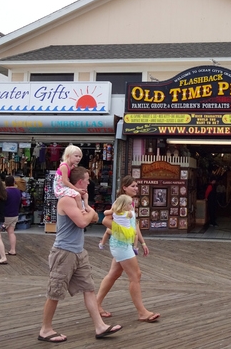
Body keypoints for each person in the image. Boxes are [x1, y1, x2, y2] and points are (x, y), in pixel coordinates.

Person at [38, 167, 122, 343]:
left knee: (89, 288)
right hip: (64, 253)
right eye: (87, 179)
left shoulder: (77, 199)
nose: (89, 182)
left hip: (78, 251)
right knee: (55, 292)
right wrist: (89, 209)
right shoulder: (67, 200)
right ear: (79, 182)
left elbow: (95, 219)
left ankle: (100, 326)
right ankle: (45, 329)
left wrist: (86, 204)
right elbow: (84, 221)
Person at [96, 175, 158, 322]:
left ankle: (95, 304)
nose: (136, 188)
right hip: (121, 244)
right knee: (136, 275)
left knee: (113, 274)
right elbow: (105, 220)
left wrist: (142, 242)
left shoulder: (131, 203)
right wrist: (122, 230)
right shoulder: (119, 202)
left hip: (124, 243)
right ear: (124, 187)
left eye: (137, 186)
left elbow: (134, 224)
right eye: (133, 186)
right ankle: (142, 312)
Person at [54, 144, 87, 213]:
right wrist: (77, 189)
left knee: (85, 194)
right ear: (68, 156)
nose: (78, 158)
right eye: (76, 156)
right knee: (77, 195)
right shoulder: (64, 166)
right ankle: (81, 210)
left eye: (80, 156)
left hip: (65, 187)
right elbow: (65, 181)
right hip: (60, 188)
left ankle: (86, 207)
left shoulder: (72, 166)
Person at [4, 175, 22, 256]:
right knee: (11, 232)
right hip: (15, 214)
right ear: (13, 182)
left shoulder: (5, 191)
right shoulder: (18, 191)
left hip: (6, 214)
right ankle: (12, 250)